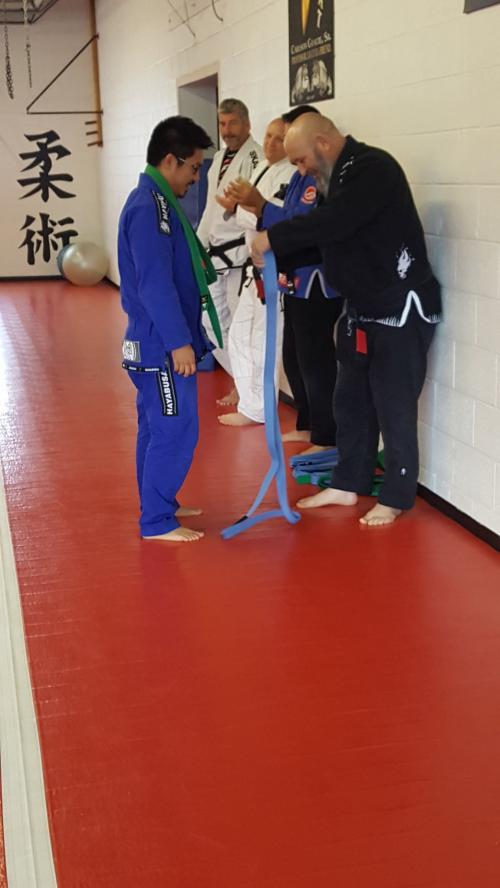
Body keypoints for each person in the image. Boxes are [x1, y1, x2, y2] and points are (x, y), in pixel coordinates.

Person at [251, 113, 442, 527]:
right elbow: (325, 240)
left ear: (322, 143)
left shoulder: (373, 168)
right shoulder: (333, 180)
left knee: (393, 403)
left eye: (301, 160)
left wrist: (274, 238)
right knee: (350, 399)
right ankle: (347, 482)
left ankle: (396, 497)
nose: (301, 170)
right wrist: (277, 256)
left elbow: (334, 222)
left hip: (400, 305)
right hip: (362, 306)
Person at [118, 116, 217, 542]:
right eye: (193, 168)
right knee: (175, 429)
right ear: (171, 161)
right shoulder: (151, 208)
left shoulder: (155, 201)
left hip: (152, 343)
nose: (196, 179)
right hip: (160, 347)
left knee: (156, 427)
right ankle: (157, 521)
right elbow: (155, 283)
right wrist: (179, 343)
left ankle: (159, 504)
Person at [228, 104, 342, 453]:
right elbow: (288, 216)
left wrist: (261, 206)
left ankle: (325, 435)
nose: (294, 159)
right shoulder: (298, 175)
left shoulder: (320, 176)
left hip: (316, 280)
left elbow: (299, 226)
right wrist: (258, 208)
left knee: (315, 359)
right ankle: (308, 424)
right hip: (292, 278)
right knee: (293, 356)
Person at [215, 117, 295, 426]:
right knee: (239, 334)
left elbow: (274, 218)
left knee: (263, 340)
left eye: (279, 138)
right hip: (255, 268)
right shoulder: (263, 166)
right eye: (269, 135)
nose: (271, 143)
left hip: (275, 268)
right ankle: (248, 402)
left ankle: (260, 409)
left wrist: (240, 209)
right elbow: (252, 213)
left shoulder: (291, 173)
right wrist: (239, 208)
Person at [196, 98, 263, 404]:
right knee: (210, 320)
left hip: (239, 256)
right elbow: (210, 208)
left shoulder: (255, 158)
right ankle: (240, 377)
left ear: (247, 124)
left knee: (239, 325)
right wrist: (199, 246)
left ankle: (246, 389)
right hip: (214, 252)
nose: (227, 130)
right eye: (222, 124)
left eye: (233, 123)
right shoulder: (219, 158)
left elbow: (255, 210)